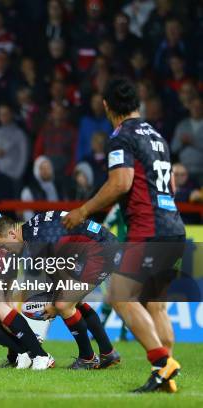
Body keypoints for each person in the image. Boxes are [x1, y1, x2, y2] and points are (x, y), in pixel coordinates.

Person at [64, 77, 185, 393]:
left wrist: (84, 211)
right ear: (137, 104)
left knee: (119, 294)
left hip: (148, 229)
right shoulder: (158, 137)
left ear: (106, 107)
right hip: (173, 227)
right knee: (154, 304)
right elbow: (169, 185)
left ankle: (162, 364)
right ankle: (165, 377)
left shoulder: (121, 137)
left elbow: (121, 183)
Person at [0, 214, 121, 369]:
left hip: (100, 251)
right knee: (74, 301)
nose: (5, 251)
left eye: (4, 246)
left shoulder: (35, 241)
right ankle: (108, 352)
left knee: (63, 305)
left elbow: (61, 272)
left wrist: (53, 306)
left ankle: (88, 358)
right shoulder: (33, 230)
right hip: (98, 247)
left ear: (12, 234)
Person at [0, 104, 28, 183]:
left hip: (13, 176)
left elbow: (24, 156)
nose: (3, 116)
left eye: (6, 114)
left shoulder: (19, 134)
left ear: (11, 114)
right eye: (0, 114)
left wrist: (18, 175)